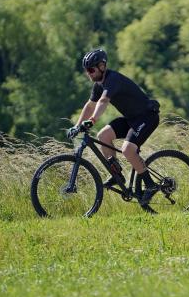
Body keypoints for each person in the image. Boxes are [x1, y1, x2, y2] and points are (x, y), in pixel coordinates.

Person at [67, 47, 162, 205]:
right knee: (103, 136)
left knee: (127, 150)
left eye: (91, 70)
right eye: (86, 71)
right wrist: (77, 125)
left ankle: (151, 186)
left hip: (147, 116)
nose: (89, 74)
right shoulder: (98, 84)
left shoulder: (113, 79)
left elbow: (103, 102)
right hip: (131, 118)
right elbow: (90, 105)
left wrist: (91, 121)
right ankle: (117, 174)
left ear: (102, 67)